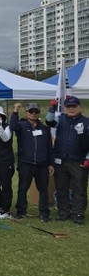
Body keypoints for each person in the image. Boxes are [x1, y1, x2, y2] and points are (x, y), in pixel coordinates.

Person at [46, 96, 89, 224]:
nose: (71, 109)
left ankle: (78, 213)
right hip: (61, 159)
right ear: (65, 108)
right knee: (61, 188)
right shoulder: (60, 119)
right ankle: (63, 212)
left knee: (79, 188)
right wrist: (52, 108)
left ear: (79, 107)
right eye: (68, 106)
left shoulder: (86, 122)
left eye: (73, 106)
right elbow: (49, 121)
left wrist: (88, 158)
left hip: (79, 160)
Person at [10, 102, 54, 221]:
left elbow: (49, 147)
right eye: (31, 111)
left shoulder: (45, 128)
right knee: (23, 188)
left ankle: (44, 212)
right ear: (26, 113)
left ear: (39, 113)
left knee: (43, 189)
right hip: (26, 162)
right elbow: (12, 127)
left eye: (36, 112)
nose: (33, 114)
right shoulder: (21, 126)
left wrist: (50, 163)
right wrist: (15, 112)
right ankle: (21, 211)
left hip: (42, 164)